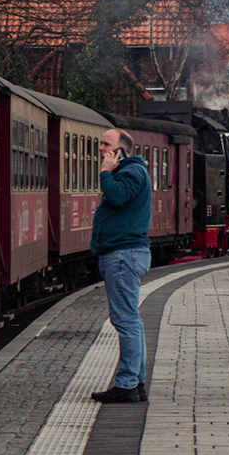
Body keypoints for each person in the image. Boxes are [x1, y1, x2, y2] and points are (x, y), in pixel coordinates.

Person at [90, 129, 152, 404]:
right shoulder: (132, 171)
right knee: (131, 321)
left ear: (121, 151)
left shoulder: (131, 172)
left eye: (107, 145)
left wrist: (105, 172)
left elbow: (117, 197)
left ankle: (127, 384)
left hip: (123, 254)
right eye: (101, 144)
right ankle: (135, 383)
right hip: (124, 253)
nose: (101, 148)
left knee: (125, 321)